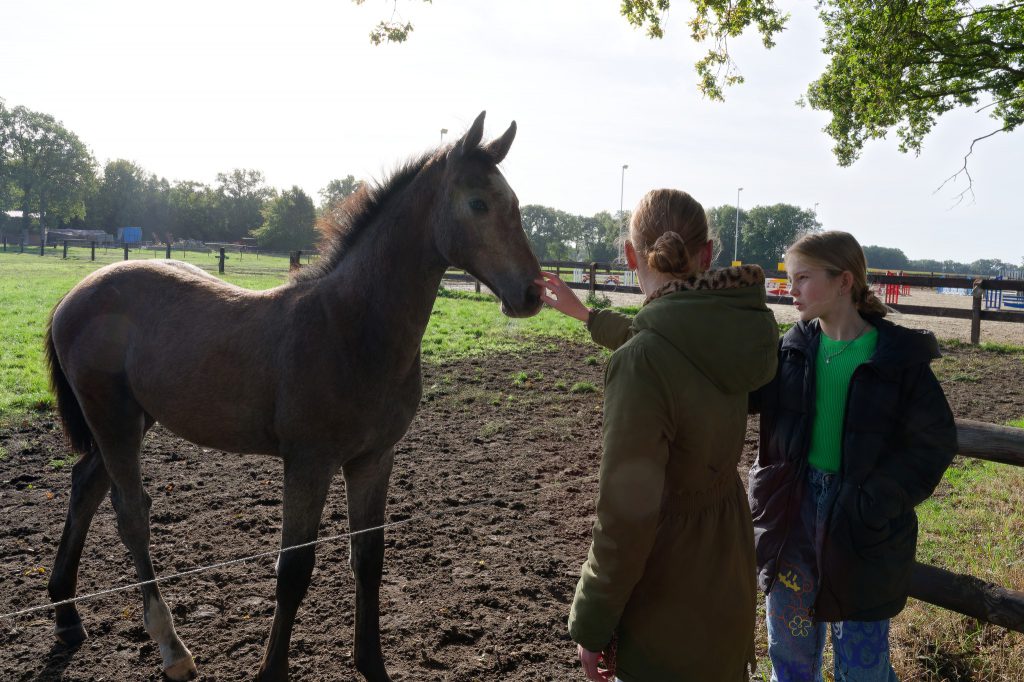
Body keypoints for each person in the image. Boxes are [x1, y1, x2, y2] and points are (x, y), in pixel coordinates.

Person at [536, 188, 779, 681]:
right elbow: (668, 344)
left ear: (631, 256)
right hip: (728, 566)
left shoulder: (644, 362)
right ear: (707, 254)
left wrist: (592, 621)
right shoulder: (736, 332)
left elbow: (625, 517)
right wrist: (587, 316)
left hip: (668, 586)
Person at [749, 231, 957, 681]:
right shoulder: (791, 349)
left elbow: (933, 443)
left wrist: (873, 502)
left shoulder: (898, 359)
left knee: (862, 666)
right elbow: (739, 393)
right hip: (792, 517)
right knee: (790, 655)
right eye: (789, 278)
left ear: (844, 281)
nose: (790, 289)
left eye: (803, 278)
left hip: (862, 528)